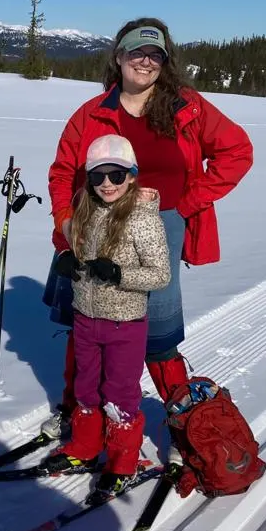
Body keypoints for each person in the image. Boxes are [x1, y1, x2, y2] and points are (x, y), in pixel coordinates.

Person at [41, 17, 254, 442]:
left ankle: (184, 427)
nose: (146, 61)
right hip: (92, 227)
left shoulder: (186, 106)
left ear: (165, 62)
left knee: (156, 330)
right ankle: (75, 410)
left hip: (160, 228)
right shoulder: (92, 113)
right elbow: (63, 171)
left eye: (155, 54)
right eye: (137, 52)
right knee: (86, 319)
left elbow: (237, 151)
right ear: (119, 57)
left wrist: (187, 203)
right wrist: (65, 226)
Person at [43, 135, 170, 500]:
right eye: (98, 176)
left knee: (118, 396)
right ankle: (84, 447)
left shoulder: (143, 220)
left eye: (116, 175)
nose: (107, 184)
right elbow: (81, 251)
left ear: (131, 175)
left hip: (124, 325)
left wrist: (118, 274)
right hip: (86, 318)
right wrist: (69, 258)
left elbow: (160, 274)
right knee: (86, 389)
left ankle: (121, 461)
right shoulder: (87, 209)